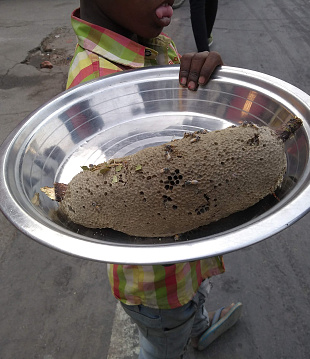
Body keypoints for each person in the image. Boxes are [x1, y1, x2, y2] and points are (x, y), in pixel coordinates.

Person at [66, 1, 242, 358]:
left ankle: (199, 327)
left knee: (194, 298)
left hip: (189, 260)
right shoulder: (94, 81)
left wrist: (203, 79)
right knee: (163, 343)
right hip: (158, 286)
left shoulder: (156, 46)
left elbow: (184, 128)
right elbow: (129, 187)